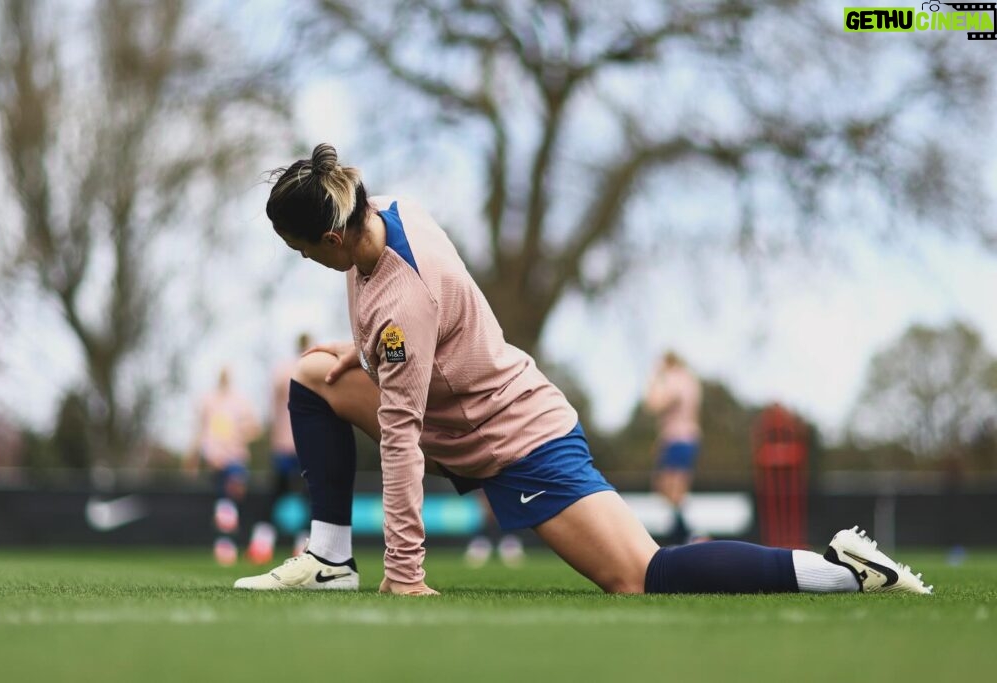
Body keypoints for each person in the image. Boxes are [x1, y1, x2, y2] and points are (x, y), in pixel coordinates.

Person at [234, 143, 932, 596]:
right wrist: (357, 354)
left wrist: (406, 574)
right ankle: (329, 558)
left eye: (303, 252)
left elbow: (399, 435)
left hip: (517, 439)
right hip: (456, 410)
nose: (307, 261)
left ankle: (841, 572)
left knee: (641, 574)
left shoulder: (399, 304)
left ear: (331, 236)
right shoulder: (391, 211)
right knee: (312, 373)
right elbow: (425, 331)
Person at [247, 333, 315, 563]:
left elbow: (273, 411)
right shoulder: (316, 371)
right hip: (306, 445)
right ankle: (303, 545)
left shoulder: (281, 372)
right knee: (309, 497)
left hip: (284, 445)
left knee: (275, 495)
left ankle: (262, 543)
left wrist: (274, 439)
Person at [185, 366, 261, 565]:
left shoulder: (241, 402)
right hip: (215, 458)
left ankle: (230, 542)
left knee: (231, 498)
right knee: (222, 502)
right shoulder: (208, 400)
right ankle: (224, 545)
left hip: (235, 457)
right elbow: (200, 430)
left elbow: (255, 428)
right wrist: (193, 458)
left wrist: (240, 433)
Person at [644, 351, 702, 545]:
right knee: (670, 489)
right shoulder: (690, 380)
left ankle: (687, 534)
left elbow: (654, 405)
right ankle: (684, 532)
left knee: (673, 490)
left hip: (678, 439)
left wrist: (654, 380)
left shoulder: (675, 380)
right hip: (683, 439)